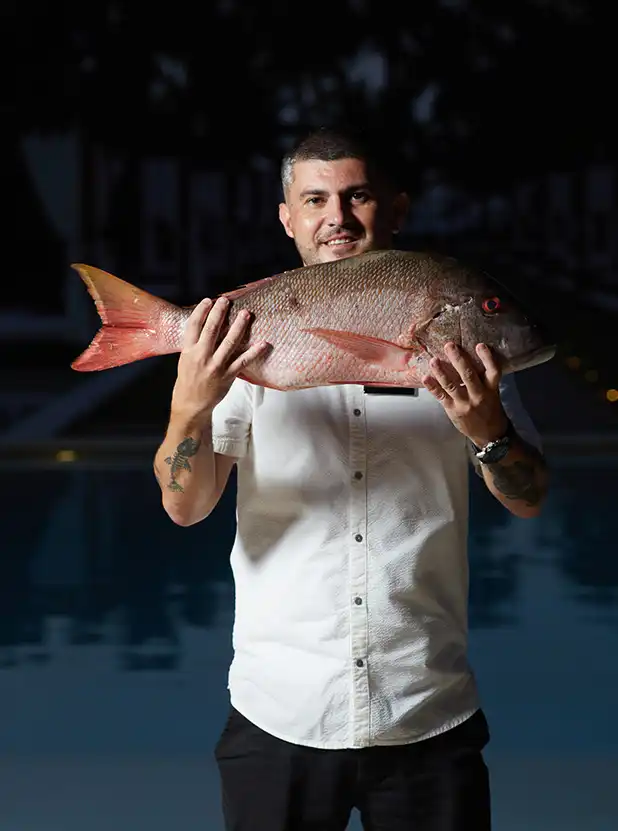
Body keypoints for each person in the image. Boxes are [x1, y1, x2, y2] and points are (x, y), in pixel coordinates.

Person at [154, 127, 549, 831]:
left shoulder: (464, 351)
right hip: (280, 713)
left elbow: (529, 497)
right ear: (289, 217)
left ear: (395, 208)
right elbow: (185, 507)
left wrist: (490, 430)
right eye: (315, 199)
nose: (336, 215)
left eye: (356, 194)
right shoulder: (246, 342)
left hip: (427, 710)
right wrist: (189, 402)